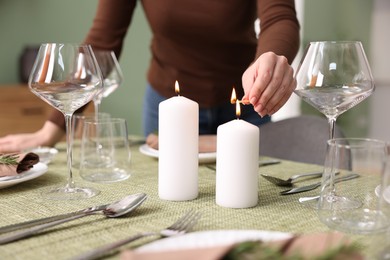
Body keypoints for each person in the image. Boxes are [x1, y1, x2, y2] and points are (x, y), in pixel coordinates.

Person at [0, 0, 300, 153]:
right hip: (166, 111)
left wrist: (269, 58)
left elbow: (279, 18)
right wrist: (53, 128)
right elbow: (102, 46)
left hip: (247, 105)